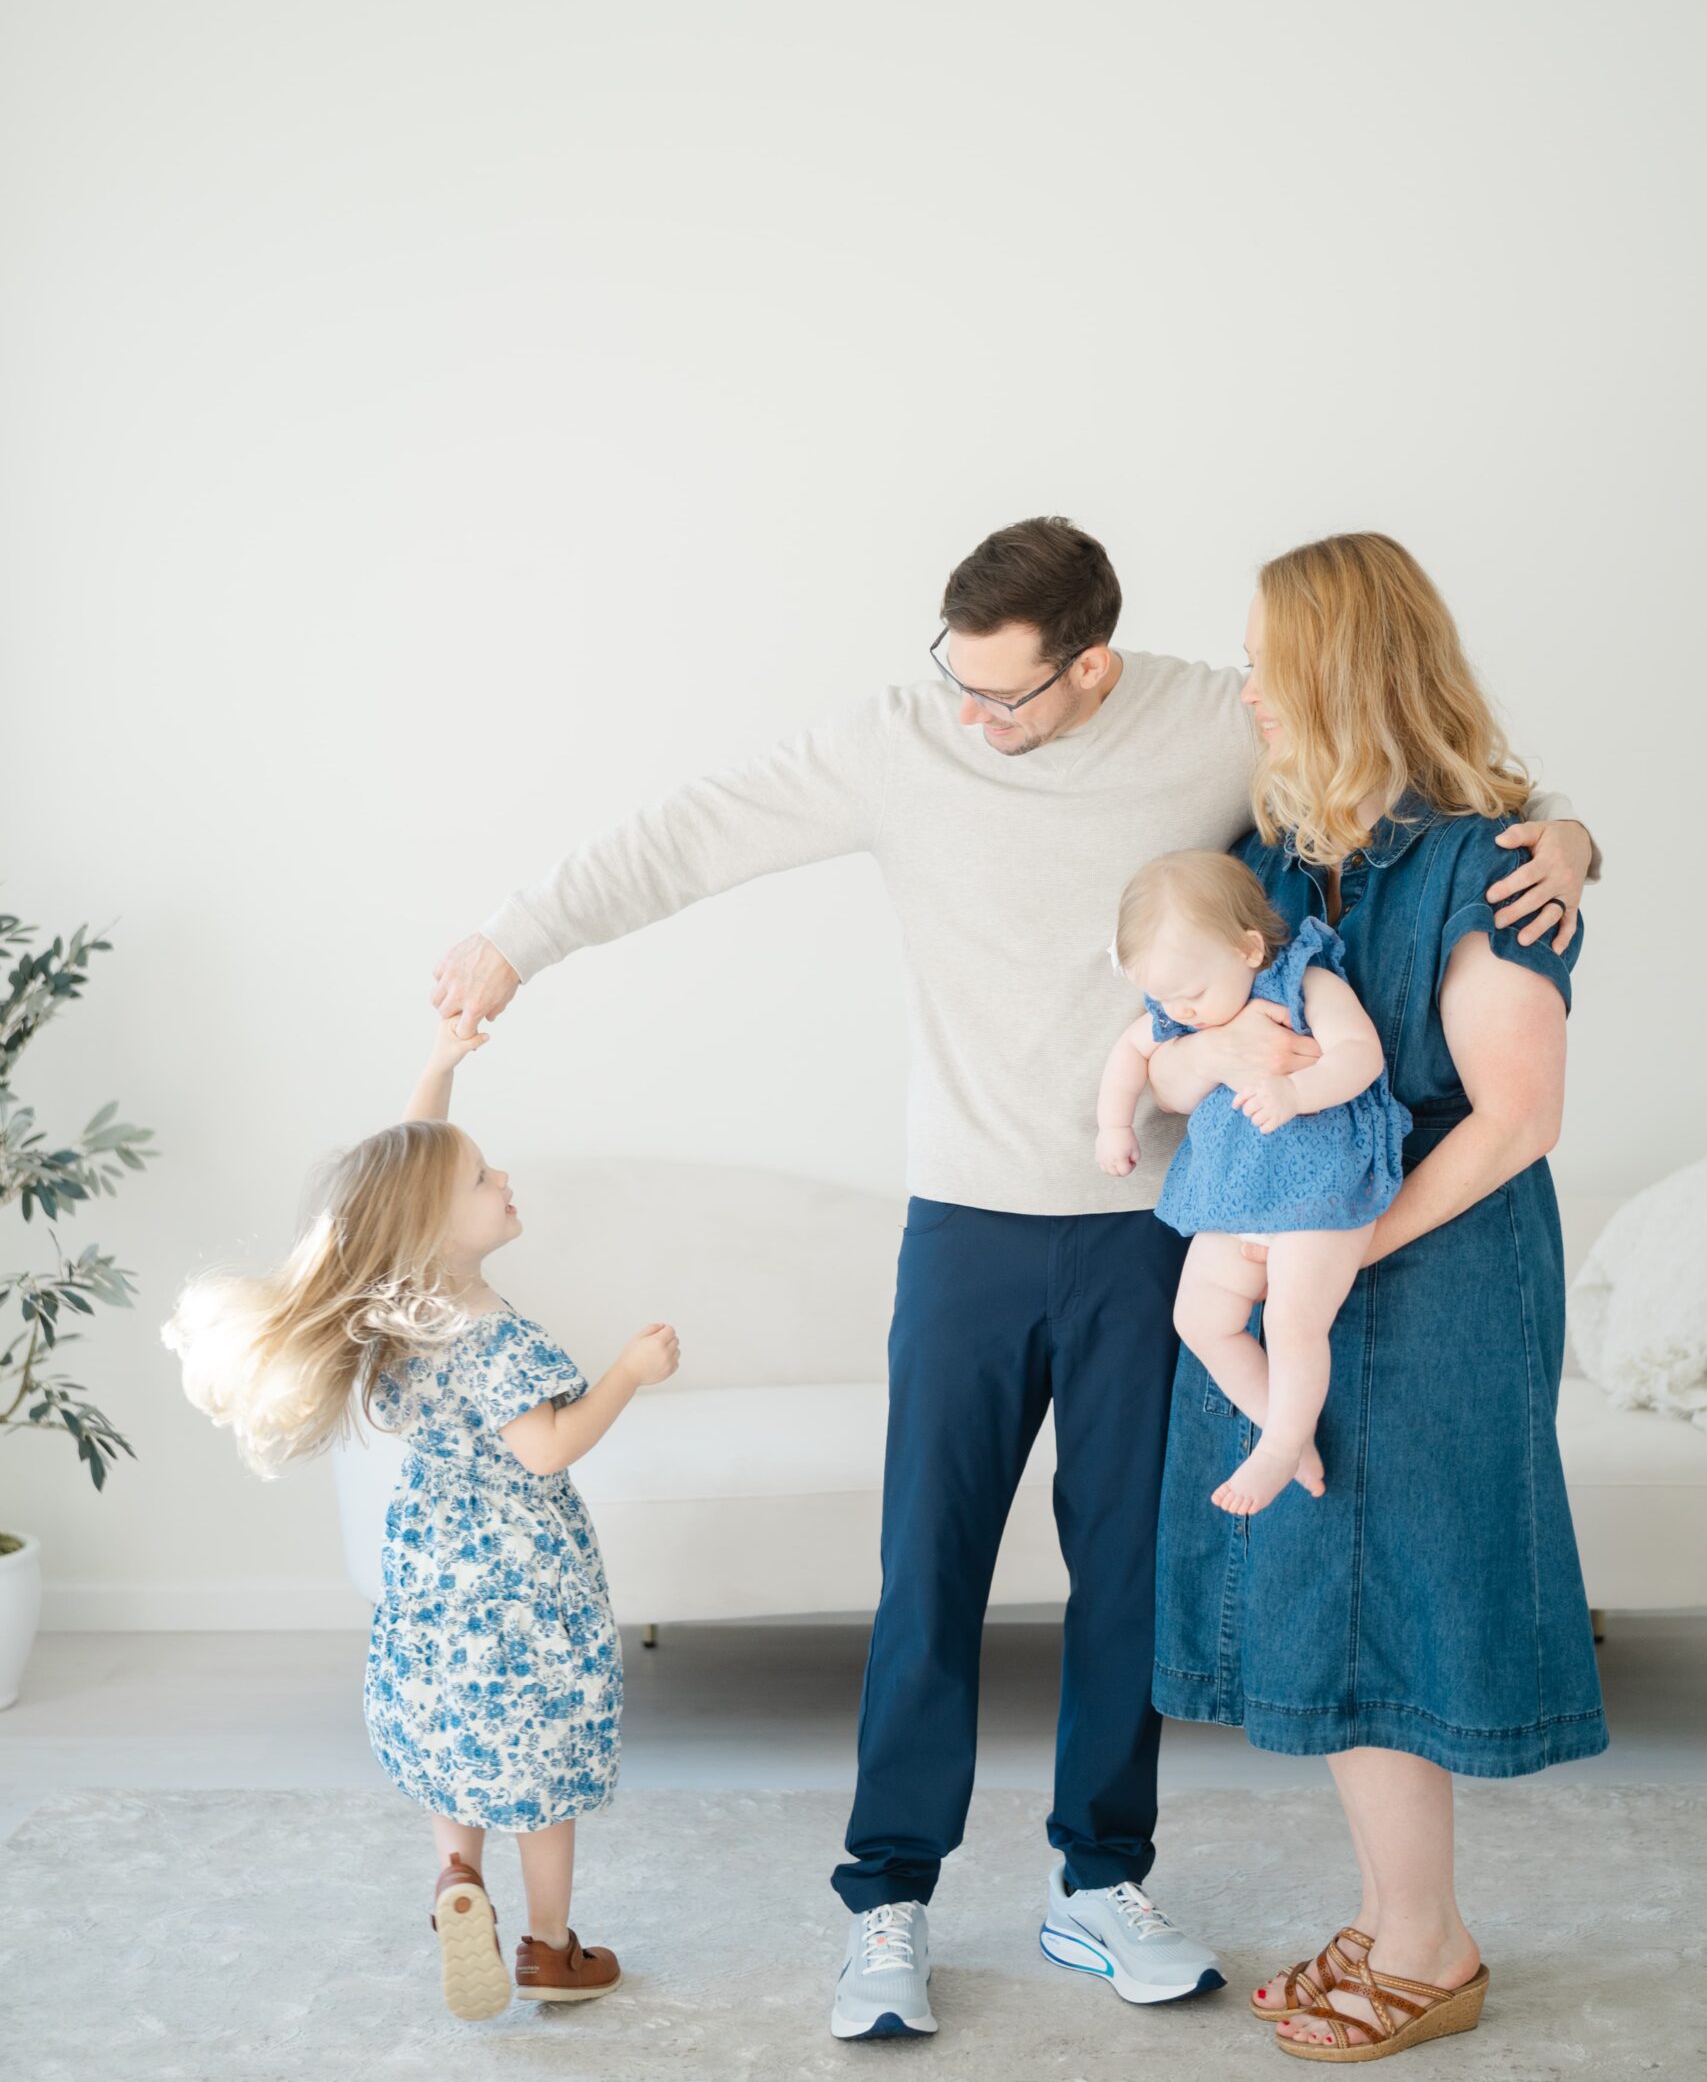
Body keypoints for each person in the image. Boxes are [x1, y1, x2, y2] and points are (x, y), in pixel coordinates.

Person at [429, 515, 1594, 2045]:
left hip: (1153, 1227)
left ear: (1090, 663)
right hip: (965, 1223)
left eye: (1007, 693)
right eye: (956, 681)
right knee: (928, 1571)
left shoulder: (1212, 720)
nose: (974, 716)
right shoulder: (898, 741)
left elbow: (1403, 794)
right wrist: (515, 941)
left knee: (1124, 1577)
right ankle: (887, 1901)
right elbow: (687, 834)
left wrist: (1565, 839)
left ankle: (1099, 1882)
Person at [1147, 531, 1606, 2064]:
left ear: (1339, 671)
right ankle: (1394, 1912)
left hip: (1437, 1282)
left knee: (1394, 1609)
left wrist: (1334, 1242)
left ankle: (1429, 1943)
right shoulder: (1274, 860)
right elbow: (1171, 1017)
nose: (1249, 694)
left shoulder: (1485, 867)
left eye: (1270, 665)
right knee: (1323, 1601)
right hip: (1311, 1270)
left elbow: (1513, 1121)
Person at [162, 1018, 680, 2025]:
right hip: (522, 1579)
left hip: (435, 1568)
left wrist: (440, 1067)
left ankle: (457, 1882)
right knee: (540, 1772)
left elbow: (407, 1176)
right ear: (442, 1225)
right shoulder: (495, 1336)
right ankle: (551, 1949)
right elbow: (548, 1446)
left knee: (457, 1739)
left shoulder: (401, 1313)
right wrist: (630, 1370)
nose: (504, 1178)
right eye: (484, 1177)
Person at [1097, 851, 1410, 1516]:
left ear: (1245, 949)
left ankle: (1271, 1450)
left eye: (1191, 993)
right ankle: (1285, 1432)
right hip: (1234, 1191)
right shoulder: (1183, 1008)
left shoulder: (1303, 981)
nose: (1181, 1009)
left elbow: (1360, 1056)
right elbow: (1131, 1050)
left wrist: (1298, 1092)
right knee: (1198, 1318)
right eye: (1166, 997)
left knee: (1292, 1319)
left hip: (1323, 1184)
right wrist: (1112, 1127)